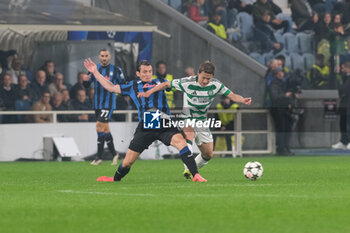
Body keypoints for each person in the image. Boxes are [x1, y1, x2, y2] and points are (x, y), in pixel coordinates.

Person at [84, 58, 207, 182]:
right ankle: (115, 179)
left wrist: (196, 80)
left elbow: (180, 86)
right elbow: (111, 87)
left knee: (181, 143)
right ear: (138, 73)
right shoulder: (133, 85)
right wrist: (95, 72)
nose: (147, 74)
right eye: (144, 72)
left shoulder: (161, 81)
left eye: (149, 71)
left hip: (163, 120)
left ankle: (195, 175)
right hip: (147, 123)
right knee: (127, 162)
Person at [138, 61, 251, 179]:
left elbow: (232, 95)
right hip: (187, 118)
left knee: (208, 154)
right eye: (203, 78)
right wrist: (148, 92)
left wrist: (242, 100)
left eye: (209, 78)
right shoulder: (187, 82)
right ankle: (189, 168)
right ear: (198, 73)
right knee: (189, 133)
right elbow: (166, 84)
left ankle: (192, 168)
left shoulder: (216, 85)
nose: (205, 81)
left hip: (202, 121)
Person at [83, 49, 126, 166]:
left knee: (98, 126)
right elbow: (87, 85)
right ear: (99, 56)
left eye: (106, 56)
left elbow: (123, 85)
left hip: (109, 104)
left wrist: (114, 87)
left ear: (110, 56)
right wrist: (85, 80)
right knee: (105, 129)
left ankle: (98, 157)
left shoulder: (116, 70)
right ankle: (114, 154)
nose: (104, 58)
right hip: (97, 104)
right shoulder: (94, 69)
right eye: (102, 56)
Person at [268, 67, 296, 155]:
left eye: (282, 72)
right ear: (276, 74)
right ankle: (281, 148)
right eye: (279, 72)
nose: (281, 74)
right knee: (281, 128)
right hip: (278, 109)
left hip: (285, 108)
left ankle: (286, 147)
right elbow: (275, 97)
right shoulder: (274, 84)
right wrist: (285, 95)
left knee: (287, 128)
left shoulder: (283, 83)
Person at [332, 61, 350, 150]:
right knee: (342, 123)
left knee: (348, 124)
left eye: (343, 68)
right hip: (344, 104)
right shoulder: (345, 77)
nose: (342, 70)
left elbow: (343, 89)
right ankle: (343, 141)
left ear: (348, 68)